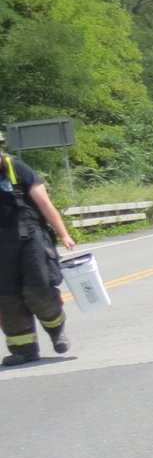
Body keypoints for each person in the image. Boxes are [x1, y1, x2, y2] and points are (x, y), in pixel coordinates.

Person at [1, 146, 77, 367]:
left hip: (30, 238)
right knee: (7, 299)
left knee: (38, 289)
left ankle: (56, 330)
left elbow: (44, 203)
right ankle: (23, 350)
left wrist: (64, 234)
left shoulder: (16, 168)